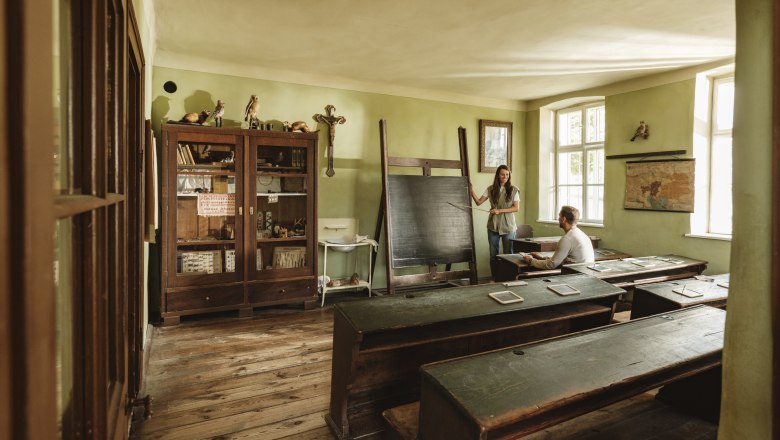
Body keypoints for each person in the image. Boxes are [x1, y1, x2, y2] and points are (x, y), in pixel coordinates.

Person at [469, 165, 520, 276]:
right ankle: (495, 278)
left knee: (509, 255)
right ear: (497, 175)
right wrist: (471, 190)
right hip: (493, 226)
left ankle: (509, 278)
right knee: (493, 255)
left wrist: (499, 211)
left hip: (508, 227)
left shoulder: (514, 190)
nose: (505, 177)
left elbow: (516, 208)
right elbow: (478, 202)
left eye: (507, 174)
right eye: (502, 174)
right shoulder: (490, 189)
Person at [523, 205, 595, 269]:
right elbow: (566, 259)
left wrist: (531, 261)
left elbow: (551, 264)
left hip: (575, 277)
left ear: (563, 219)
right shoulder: (582, 234)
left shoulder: (567, 239)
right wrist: (543, 258)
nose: (558, 219)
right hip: (586, 274)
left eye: (559, 216)